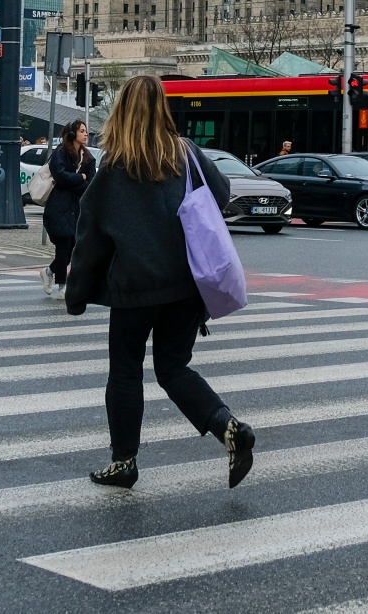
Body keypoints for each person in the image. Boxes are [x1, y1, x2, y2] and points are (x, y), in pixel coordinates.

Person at [64, 75, 253, 491]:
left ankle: (124, 462)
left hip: (134, 290)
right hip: (187, 287)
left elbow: (89, 238)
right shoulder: (186, 153)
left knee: (126, 372)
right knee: (173, 367)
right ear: (162, 109)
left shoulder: (114, 167)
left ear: (123, 112)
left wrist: (75, 295)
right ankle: (229, 428)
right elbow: (219, 195)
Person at [42, 119, 93, 299]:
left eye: (86, 131)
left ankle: (49, 272)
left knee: (73, 248)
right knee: (63, 247)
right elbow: (60, 176)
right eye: (82, 131)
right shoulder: (61, 153)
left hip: (77, 209)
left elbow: (91, 183)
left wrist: (76, 180)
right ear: (72, 134)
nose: (85, 134)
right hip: (59, 208)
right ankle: (62, 287)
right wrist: (80, 178)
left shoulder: (88, 157)